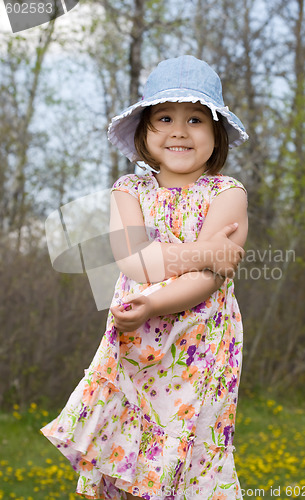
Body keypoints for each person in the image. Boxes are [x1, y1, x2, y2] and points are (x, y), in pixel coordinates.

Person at [41, 55, 249, 500]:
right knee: (130, 444)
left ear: (216, 134)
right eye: (164, 118)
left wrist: (158, 298)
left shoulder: (226, 194)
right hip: (138, 336)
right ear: (143, 132)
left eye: (196, 118)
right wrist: (202, 252)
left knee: (188, 440)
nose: (179, 130)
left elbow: (212, 278)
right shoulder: (129, 190)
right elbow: (134, 262)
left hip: (200, 341)